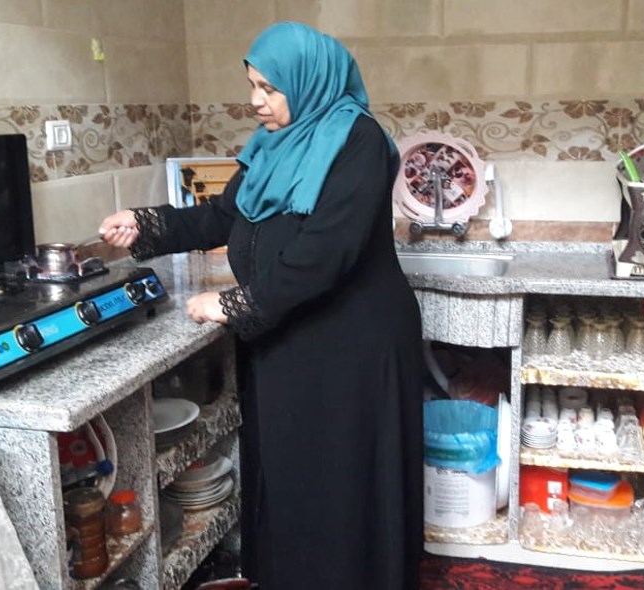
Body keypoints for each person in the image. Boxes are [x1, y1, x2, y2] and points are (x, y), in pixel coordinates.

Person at [98, 22, 424, 590]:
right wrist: (148, 223)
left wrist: (234, 302)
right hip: (292, 336)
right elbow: (226, 216)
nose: (255, 102)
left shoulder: (359, 141)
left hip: (350, 344)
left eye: (269, 89)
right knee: (294, 472)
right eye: (253, 85)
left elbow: (325, 252)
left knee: (343, 477)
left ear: (309, 81)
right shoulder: (273, 142)